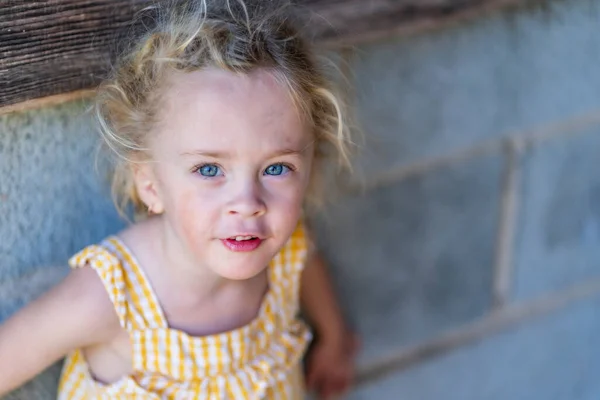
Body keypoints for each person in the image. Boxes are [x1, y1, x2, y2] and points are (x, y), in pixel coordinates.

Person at [0, 0, 358, 398]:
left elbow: (307, 263)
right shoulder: (112, 298)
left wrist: (334, 338)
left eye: (276, 168)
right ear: (150, 184)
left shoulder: (285, 250)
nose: (248, 202)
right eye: (209, 169)